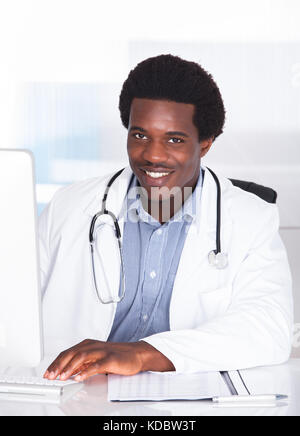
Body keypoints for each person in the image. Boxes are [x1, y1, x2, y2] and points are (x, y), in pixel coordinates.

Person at [41, 54, 293, 382]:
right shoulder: (69, 206)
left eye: (174, 139)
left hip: (192, 399)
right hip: (77, 394)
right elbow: (14, 310)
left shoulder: (251, 218)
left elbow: (268, 327)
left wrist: (143, 354)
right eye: (139, 135)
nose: (153, 155)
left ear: (205, 144)